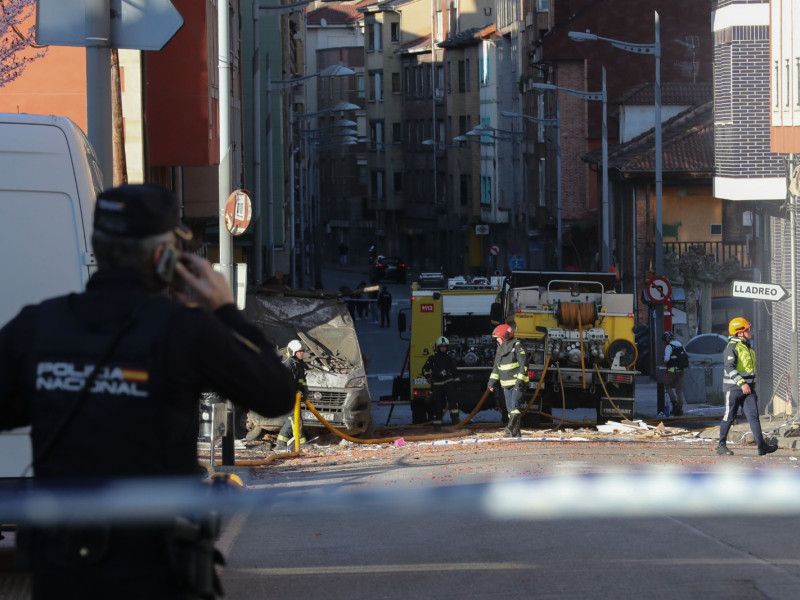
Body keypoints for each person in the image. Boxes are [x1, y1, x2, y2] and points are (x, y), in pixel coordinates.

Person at [0, 183, 294, 599]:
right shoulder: (184, 331)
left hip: (63, 571)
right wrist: (226, 310)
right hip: (155, 574)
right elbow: (276, 393)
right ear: (163, 258)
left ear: (99, 248)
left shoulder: (38, 327)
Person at [717, 317, 778, 457]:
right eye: (747, 330)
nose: (750, 332)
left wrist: (749, 384)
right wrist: (742, 383)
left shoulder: (747, 346)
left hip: (748, 389)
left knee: (754, 417)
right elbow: (729, 367)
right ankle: (721, 445)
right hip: (734, 389)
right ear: (739, 333)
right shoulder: (732, 347)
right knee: (729, 416)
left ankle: (761, 446)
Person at [487, 324, 529, 437]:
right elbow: (496, 368)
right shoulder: (500, 349)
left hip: (517, 383)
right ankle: (516, 431)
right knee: (510, 410)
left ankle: (509, 429)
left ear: (504, 336)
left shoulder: (517, 346)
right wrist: (491, 383)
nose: (496, 340)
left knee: (515, 407)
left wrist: (519, 383)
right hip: (505, 384)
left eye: (497, 338)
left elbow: (523, 366)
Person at [275, 340, 309, 451]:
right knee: (296, 420)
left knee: (292, 420)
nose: (302, 353)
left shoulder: (299, 364)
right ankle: (301, 444)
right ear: (293, 352)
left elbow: (302, 381)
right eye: (299, 351)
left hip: (296, 398)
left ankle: (281, 443)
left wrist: (305, 392)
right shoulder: (289, 365)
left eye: (302, 351)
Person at [422, 337, 461, 427]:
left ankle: (455, 422)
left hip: (448, 383)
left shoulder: (449, 358)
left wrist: (457, 383)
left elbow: (454, 371)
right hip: (437, 384)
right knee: (438, 405)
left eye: (445, 347)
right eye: (441, 347)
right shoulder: (432, 358)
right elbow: (425, 369)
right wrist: (428, 377)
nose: (443, 348)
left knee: (453, 402)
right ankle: (437, 426)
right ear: (438, 347)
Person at [663, 331, 686, 416]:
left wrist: (663, 358)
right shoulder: (680, 344)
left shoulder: (669, 347)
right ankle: (680, 407)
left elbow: (667, 359)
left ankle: (674, 403)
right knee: (679, 389)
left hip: (672, 371)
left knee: (667, 385)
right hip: (681, 371)